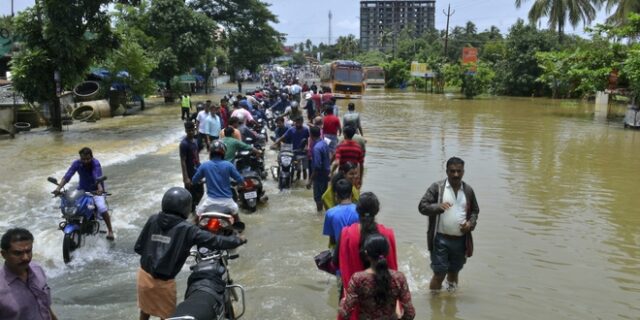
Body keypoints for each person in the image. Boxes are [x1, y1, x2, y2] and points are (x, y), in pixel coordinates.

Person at [134, 187, 247, 320]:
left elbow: (139, 247)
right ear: (186, 208)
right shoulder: (187, 229)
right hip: (164, 282)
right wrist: (237, 240)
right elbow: (214, 240)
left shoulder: (153, 219)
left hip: (144, 276)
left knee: (144, 311)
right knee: (169, 317)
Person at [418, 156, 479, 292]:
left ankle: (451, 303)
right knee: (439, 274)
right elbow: (422, 206)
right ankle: (434, 305)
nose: (456, 174)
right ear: (447, 172)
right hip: (440, 239)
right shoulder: (437, 188)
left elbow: (475, 211)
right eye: (452, 171)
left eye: (459, 171)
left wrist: (470, 224)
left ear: (463, 172)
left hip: (460, 240)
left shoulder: (468, 190)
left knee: (453, 273)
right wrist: (438, 207)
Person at [337, 192, 398, 318]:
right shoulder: (387, 234)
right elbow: (392, 268)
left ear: (357, 210)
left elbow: (337, 263)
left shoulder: (347, 234)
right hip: (382, 298)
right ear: (377, 211)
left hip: (353, 300)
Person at [339, 234, 415, 320]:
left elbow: (345, 313)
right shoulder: (399, 278)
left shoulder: (358, 279)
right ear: (387, 252)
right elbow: (410, 313)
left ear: (366, 253)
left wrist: (343, 300)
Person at [53, 147, 115, 240]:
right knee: (71, 204)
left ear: (92, 157)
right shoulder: (76, 163)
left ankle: (110, 230)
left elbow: (96, 175)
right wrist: (58, 188)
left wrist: (99, 188)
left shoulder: (95, 163)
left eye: (88, 159)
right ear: (80, 158)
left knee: (102, 207)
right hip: (82, 190)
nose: (85, 161)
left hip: (96, 190)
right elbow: (68, 176)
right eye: (83, 159)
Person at [0, 228, 58, 320]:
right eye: (18, 253)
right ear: (4, 254)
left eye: (28, 251)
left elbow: (45, 307)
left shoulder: (37, 270)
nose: (26, 258)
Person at [192, 141, 244, 218]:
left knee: (197, 215)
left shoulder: (205, 165)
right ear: (223, 153)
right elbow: (240, 180)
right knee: (236, 214)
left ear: (211, 153)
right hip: (227, 201)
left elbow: (194, 180)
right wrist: (241, 182)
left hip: (210, 201)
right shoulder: (228, 165)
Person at [322, 179, 359, 247]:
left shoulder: (330, 213)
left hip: (339, 252)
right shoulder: (359, 211)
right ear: (351, 194)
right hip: (355, 251)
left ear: (336, 195)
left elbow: (332, 240)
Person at [180, 122, 203, 215]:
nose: (190, 132)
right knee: (191, 197)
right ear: (185, 131)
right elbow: (183, 161)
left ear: (194, 130)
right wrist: (186, 178)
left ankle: (198, 215)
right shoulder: (184, 144)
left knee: (201, 192)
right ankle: (191, 215)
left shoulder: (195, 141)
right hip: (189, 173)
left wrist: (201, 170)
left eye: (192, 130)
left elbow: (197, 156)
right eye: (188, 130)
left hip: (197, 171)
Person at [307, 126, 331, 212]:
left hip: (319, 176)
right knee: (324, 196)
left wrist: (310, 180)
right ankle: (326, 213)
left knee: (318, 198)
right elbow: (329, 157)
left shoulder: (316, 148)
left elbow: (317, 166)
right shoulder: (324, 143)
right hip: (326, 174)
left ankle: (320, 215)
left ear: (311, 135)